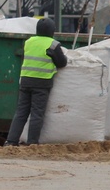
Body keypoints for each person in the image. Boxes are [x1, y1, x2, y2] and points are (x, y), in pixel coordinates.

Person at [5, 17, 68, 146]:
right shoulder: (53, 44)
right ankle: (32, 143)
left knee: (21, 113)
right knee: (37, 114)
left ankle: (11, 141)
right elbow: (62, 63)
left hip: (26, 81)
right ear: (52, 31)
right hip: (42, 83)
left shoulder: (28, 42)